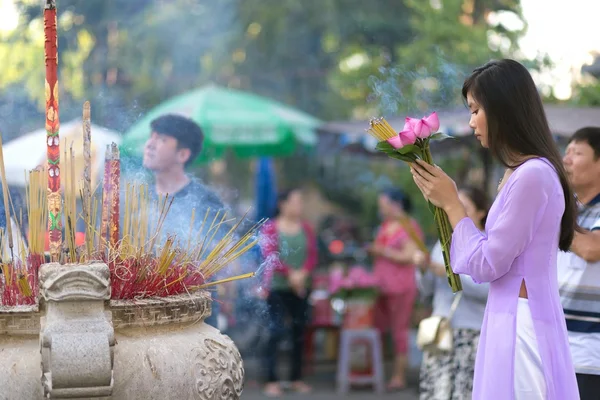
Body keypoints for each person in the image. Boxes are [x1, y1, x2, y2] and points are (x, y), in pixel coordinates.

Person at [410, 59, 580, 399]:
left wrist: (454, 205)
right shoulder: (522, 173)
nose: (472, 121)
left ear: (503, 109)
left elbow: (489, 263)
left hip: (520, 324)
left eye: (476, 110)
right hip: (510, 315)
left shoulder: (531, 175)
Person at [142, 114, 228, 328]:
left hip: (193, 312)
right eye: (151, 137)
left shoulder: (205, 201)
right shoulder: (137, 197)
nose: (150, 144)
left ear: (182, 154)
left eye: (161, 139)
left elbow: (216, 258)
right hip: (143, 309)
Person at [414, 186, 490, 400]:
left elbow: (488, 290)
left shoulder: (487, 244)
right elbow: (426, 290)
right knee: (438, 392)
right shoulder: (444, 241)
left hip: (472, 334)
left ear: (481, 212)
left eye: (463, 207)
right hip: (440, 333)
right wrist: (423, 269)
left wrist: (450, 275)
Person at [259, 188, 317, 397]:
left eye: (300, 202)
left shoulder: (307, 229)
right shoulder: (270, 228)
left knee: (299, 332)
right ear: (282, 204)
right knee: (275, 332)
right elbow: (270, 255)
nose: (299, 206)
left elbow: (312, 256)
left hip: (301, 288)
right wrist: (291, 274)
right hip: (276, 288)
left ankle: (296, 378)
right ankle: (271, 380)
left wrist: (302, 275)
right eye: (295, 202)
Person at [559, 126, 600, 400]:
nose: (566, 159)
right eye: (567, 151)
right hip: (553, 348)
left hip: (590, 354)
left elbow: (591, 248)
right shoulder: (565, 209)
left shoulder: (557, 215)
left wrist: (550, 217)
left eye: (577, 152)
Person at [368, 188, 422, 391]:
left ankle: (398, 376)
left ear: (396, 204)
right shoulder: (385, 226)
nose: (381, 209)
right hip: (381, 286)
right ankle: (380, 371)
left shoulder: (408, 226)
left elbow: (410, 255)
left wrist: (383, 251)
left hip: (401, 287)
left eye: (384, 204)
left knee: (399, 331)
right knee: (380, 329)